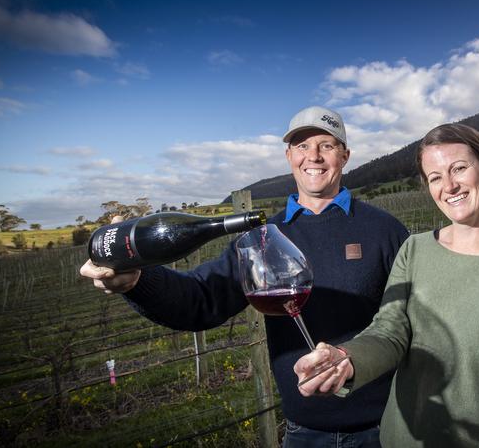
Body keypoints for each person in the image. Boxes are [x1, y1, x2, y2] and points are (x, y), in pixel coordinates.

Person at [80, 105, 409, 447]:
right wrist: (137, 282)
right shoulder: (264, 237)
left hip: (387, 428)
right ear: (288, 156)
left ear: (345, 156)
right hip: (303, 434)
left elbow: (409, 324)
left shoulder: (384, 231)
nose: (314, 156)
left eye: (326, 145)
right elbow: (200, 300)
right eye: (301, 146)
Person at [294, 123, 479, 447]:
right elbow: (389, 331)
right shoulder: (415, 250)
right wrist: (345, 358)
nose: (450, 186)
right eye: (436, 177)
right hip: (406, 438)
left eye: (459, 168)